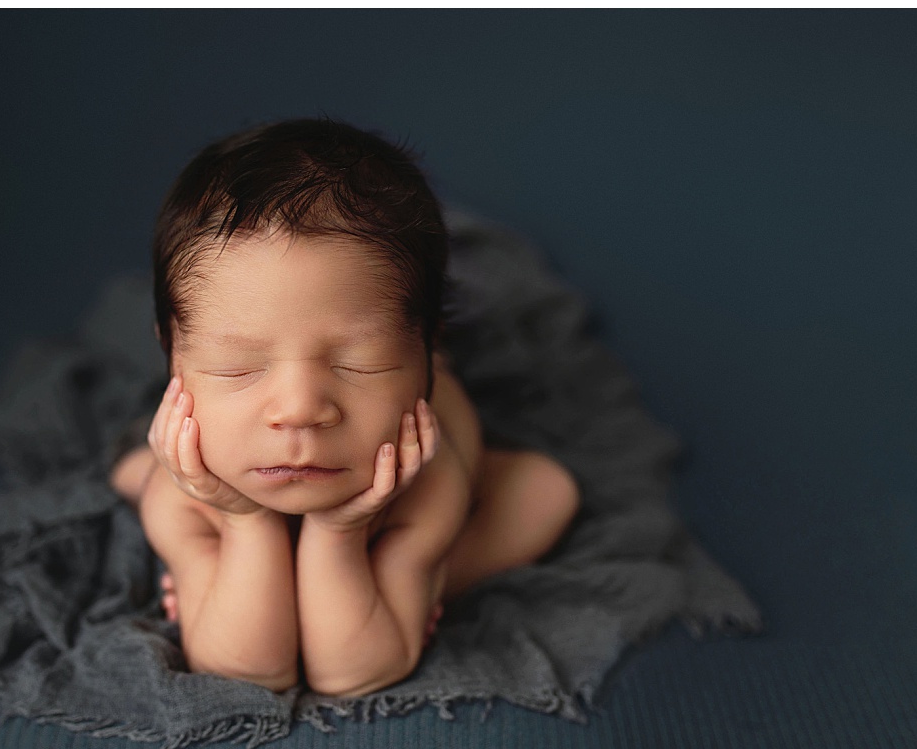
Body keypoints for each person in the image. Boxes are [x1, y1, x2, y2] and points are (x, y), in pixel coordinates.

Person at [110, 118, 580, 698]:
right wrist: (243, 520)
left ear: (425, 351)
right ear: (172, 356)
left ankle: (431, 576)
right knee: (143, 476)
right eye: (238, 367)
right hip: (225, 483)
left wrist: (341, 532)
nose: (300, 410)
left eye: (360, 362)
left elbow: (354, 672)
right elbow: (247, 672)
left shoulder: (425, 484)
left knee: (546, 492)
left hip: (416, 480)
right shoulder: (184, 494)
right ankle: (378, 586)